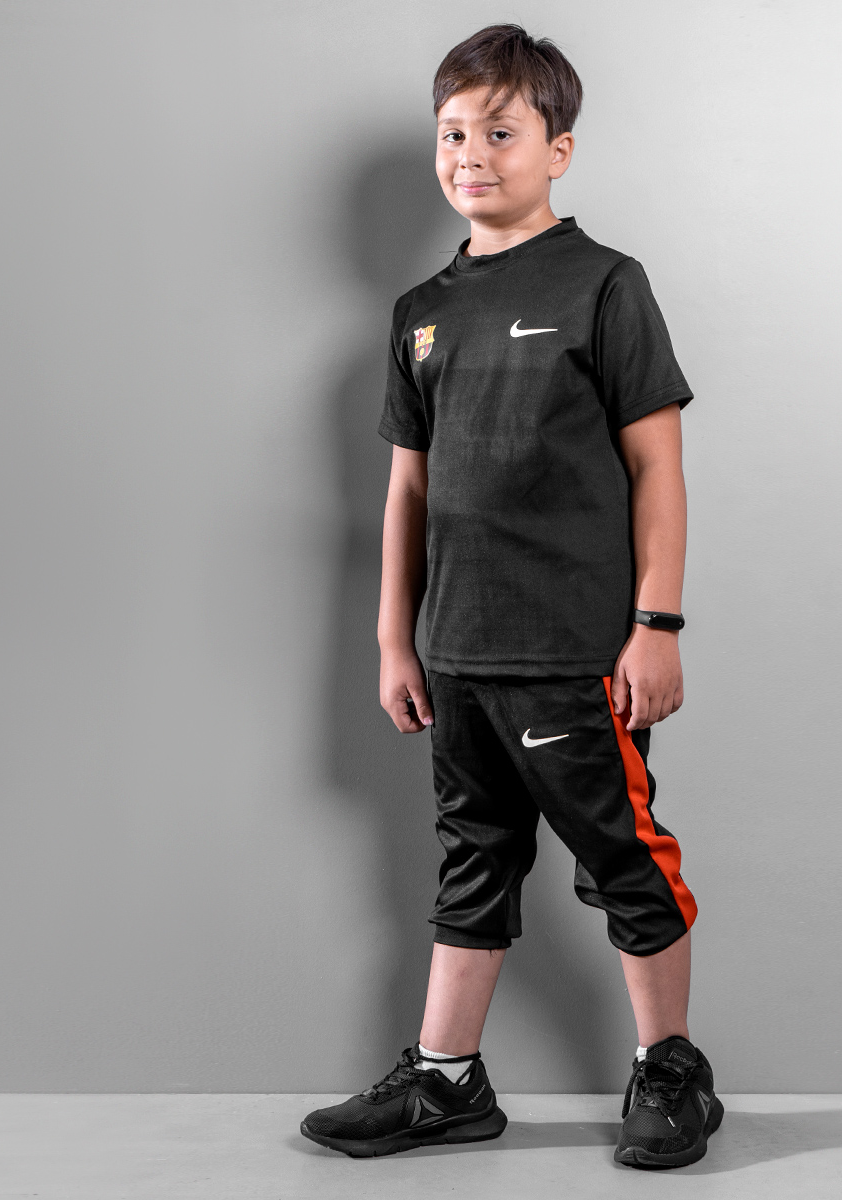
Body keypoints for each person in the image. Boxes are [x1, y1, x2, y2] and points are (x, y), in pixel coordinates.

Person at [301, 24, 721, 1170]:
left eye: (499, 131)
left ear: (557, 149)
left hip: (574, 648)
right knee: (471, 861)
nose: (471, 154)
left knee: (622, 860)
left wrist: (657, 624)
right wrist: (395, 641)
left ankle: (670, 1069)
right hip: (457, 651)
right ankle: (446, 1081)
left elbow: (659, 468)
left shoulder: (605, 285)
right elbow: (408, 491)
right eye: (452, 134)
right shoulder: (420, 311)